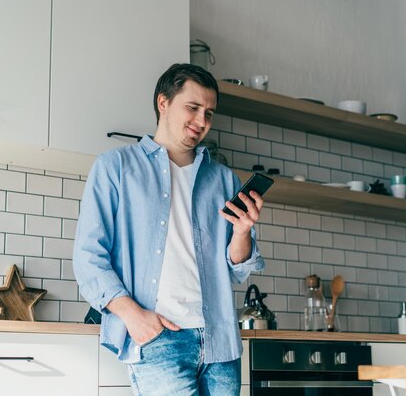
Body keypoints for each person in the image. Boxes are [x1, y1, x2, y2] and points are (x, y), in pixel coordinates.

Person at [73, 63, 265, 395]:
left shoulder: (222, 179)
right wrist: (133, 316)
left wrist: (242, 231)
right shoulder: (116, 167)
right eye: (192, 108)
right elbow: (89, 258)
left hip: (220, 342)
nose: (202, 121)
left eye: (209, 113)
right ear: (163, 103)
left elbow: (237, 271)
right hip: (159, 338)